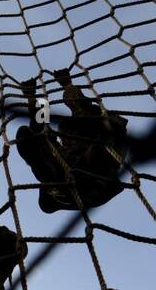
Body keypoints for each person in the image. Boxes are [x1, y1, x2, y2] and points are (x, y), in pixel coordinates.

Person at [15, 69, 129, 213]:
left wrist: (67, 85)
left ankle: (61, 184)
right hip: (75, 179)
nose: (65, 138)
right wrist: (37, 101)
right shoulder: (60, 156)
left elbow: (83, 110)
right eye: (64, 136)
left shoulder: (89, 132)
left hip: (94, 168)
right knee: (34, 136)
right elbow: (41, 132)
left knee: (89, 123)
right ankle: (58, 187)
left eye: (67, 136)